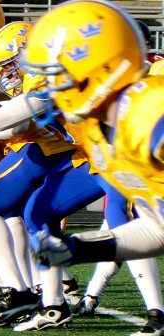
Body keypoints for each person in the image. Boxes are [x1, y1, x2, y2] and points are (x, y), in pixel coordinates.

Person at [21, 1, 164, 334]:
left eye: (60, 72)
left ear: (97, 65)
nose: (52, 84)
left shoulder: (149, 111)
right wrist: (77, 249)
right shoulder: (104, 128)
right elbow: (158, 227)